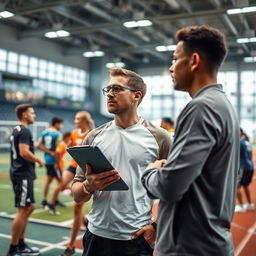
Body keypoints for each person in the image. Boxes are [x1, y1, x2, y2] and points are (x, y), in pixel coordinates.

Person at [141, 25, 240, 256]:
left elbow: (169, 186)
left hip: (189, 247)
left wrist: (150, 171)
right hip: (208, 241)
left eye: (176, 59)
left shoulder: (201, 108)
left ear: (194, 60)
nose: (171, 67)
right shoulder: (223, 105)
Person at [72, 68, 171, 256]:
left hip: (135, 239)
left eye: (116, 89)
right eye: (108, 89)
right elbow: (77, 195)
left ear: (136, 96)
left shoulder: (160, 138)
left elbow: (176, 190)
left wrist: (157, 226)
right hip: (96, 237)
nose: (109, 94)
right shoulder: (93, 137)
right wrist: (88, 186)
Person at [51, 111, 94, 256]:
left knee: (77, 208)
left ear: (84, 120)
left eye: (77, 119)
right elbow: (68, 147)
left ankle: (70, 246)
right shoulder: (75, 133)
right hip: (72, 166)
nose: (74, 121)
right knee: (60, 185)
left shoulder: (91, 133)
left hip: (84, 169)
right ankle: (53, 202)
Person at [7, 104, 44, 256]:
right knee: (23, 209)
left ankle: (20, 244)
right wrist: (38, 160)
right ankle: (13, 248)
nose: (34, 115)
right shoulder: (24, 130)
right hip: (22, 173)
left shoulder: (17, 130)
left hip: (21, 173)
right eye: (32, 113)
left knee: (30, 207)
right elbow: (24, 152)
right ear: (24, 115)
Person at [37, 116, 64, 209]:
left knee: (49, 181)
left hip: (47, 160)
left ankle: (45, 200)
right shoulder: (58, 134)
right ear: (56, 123)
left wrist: (48, 152)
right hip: (54, 162)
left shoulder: (45, 132)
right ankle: (52, 203)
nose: (61, 126)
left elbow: (38, 145)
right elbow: (57, 150)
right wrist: (55, 155)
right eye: (60, 124)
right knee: (61, 182)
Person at [47, 131, 72, 215]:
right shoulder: (62, 144)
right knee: (60, 185)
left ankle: (55, 201)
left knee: (61, 185)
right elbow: (57, 152)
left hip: (60, 167)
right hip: (58, 167)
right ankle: (52, 205)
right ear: (67, 137)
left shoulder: (64, 144)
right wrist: (57, 164)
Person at [235, 128, 254, 212]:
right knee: (245, 185)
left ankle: (241, 206)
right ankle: (249, 204)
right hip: (250, 166)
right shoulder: (247, 142)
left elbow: (235, 155)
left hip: (243, 167)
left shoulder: (240, 143)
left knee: (236, 186)